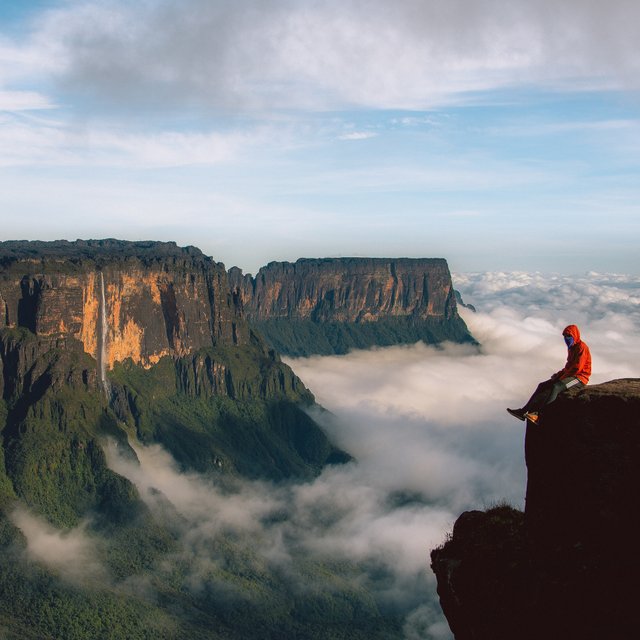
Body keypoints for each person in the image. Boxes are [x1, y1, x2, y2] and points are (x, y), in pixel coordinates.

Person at [507, 324, 591, 424]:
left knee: (556, 387)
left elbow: (577, 368)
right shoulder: (571, 348)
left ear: (575, 336)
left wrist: (561, 378)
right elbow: (569, 366)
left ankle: (538, 415)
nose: (566, 339)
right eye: (565, 336)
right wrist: (558, 374)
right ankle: (522, 411)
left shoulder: (581, 347)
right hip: (571, 375)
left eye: (569, 336)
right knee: (542, 386)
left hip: (580, 378)